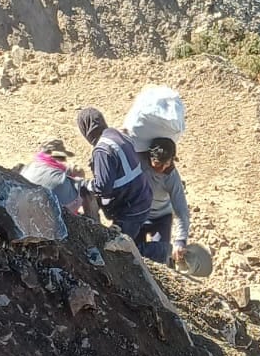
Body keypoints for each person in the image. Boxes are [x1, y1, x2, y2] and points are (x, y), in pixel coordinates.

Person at [76, 106, 152, 240]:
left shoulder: (102, 149)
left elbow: (103, 187)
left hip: (130, 210)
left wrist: (84, 185)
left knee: (121, 248)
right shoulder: (118, 135)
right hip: (142, 200)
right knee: (136, 242)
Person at [135, 137, 191, 266]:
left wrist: (180, 240)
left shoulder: (171, 177)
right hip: (138, 214)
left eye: (167, 163)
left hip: (161, 217)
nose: (163, 168)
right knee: (134, 254)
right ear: (149, 158)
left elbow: (181, 210)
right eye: (158, 164)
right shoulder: (138, 164)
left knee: (160, 255)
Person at [20, 138, 84, 215]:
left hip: (22, 211)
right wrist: (78, 177)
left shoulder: (28, 168)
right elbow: (75, 204)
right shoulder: (60, 180)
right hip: (46, 217)